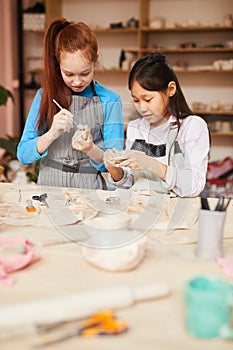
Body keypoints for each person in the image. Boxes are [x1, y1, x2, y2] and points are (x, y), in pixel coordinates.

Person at [17, 18, 124, 189]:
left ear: (96, 60)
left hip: (89, 190)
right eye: (68, 74)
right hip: (49, 187)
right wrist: (51, 134)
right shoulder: (44, 96)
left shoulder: (110, 101)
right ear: (58, 64)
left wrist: (90, 149)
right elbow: (23, 155)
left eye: (84, 73)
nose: (77, 81)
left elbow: (116, 165)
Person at [104, 52, 210, 197]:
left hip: (176, 212)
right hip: (141, 209)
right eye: (136, 100)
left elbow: (193, 186)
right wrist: (113, 168)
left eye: (148, 100)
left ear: (171, 89)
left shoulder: (192, 127)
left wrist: (149, 163)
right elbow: (129, 181)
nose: (142, 108)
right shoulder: (136, 128)